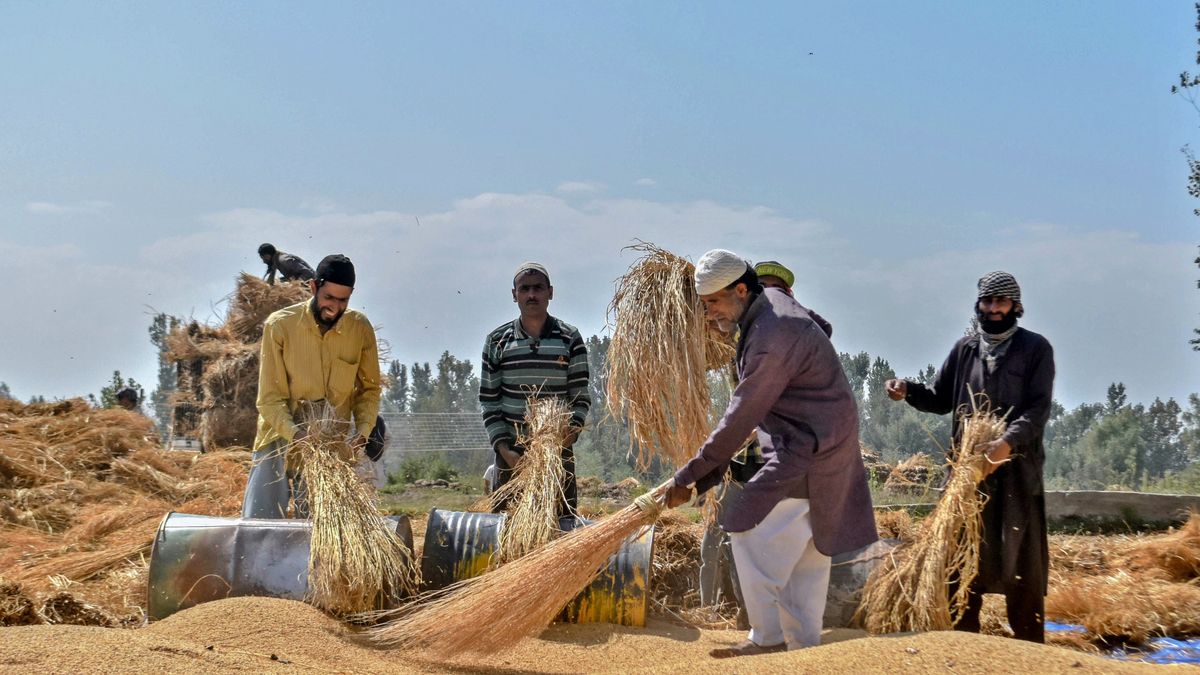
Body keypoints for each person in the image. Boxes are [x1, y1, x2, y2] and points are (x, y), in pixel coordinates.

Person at [666, 249, 877, 658]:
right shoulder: (774, 312)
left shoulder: (770, 334)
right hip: (823, 440)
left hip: (810, 445)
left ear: (742, 290)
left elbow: (740, 416)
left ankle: (768, 638)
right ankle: (802, 647)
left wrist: (687, 477)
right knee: (805, 550)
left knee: (747, 528)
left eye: (713, 303)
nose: (709, 314)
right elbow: (822, 327)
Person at [884, 270, 1054, 643]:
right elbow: (940, 398)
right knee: (963, 561)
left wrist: (1006, 444)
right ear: (978, 305)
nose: (993, 309)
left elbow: (1038, 408)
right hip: (967, 476)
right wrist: (907, 389)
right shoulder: (966, 349)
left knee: (1019, 561)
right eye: (987, 302)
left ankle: (1031, 650)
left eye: (1001, 302)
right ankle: (965, 647)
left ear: (1016, 306)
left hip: (1016, 475)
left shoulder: (1035, 349)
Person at [243, 254, 382, 519]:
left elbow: (369, 389)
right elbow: (269, 399)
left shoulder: (359, 328)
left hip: (330, 442)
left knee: (321, 528)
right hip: (280, 437)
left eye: (343, 300)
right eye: (329, 298)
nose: (335, 308)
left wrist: (362, 432)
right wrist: (298, 437)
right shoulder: (280, 325)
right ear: (314, 287)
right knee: (260, 527)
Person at [479, 262, 591, 516]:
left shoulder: (569, 338)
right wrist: (506, 451)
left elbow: (580, 398)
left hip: (556, 457)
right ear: (514, 294)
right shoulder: (497, 341)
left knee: (560, 528)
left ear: (550, 292)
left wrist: (562, 440)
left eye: (538, 288)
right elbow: (489, 400)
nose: (532, 295)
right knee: (504, 530)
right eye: (524, 289)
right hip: (511, 458)